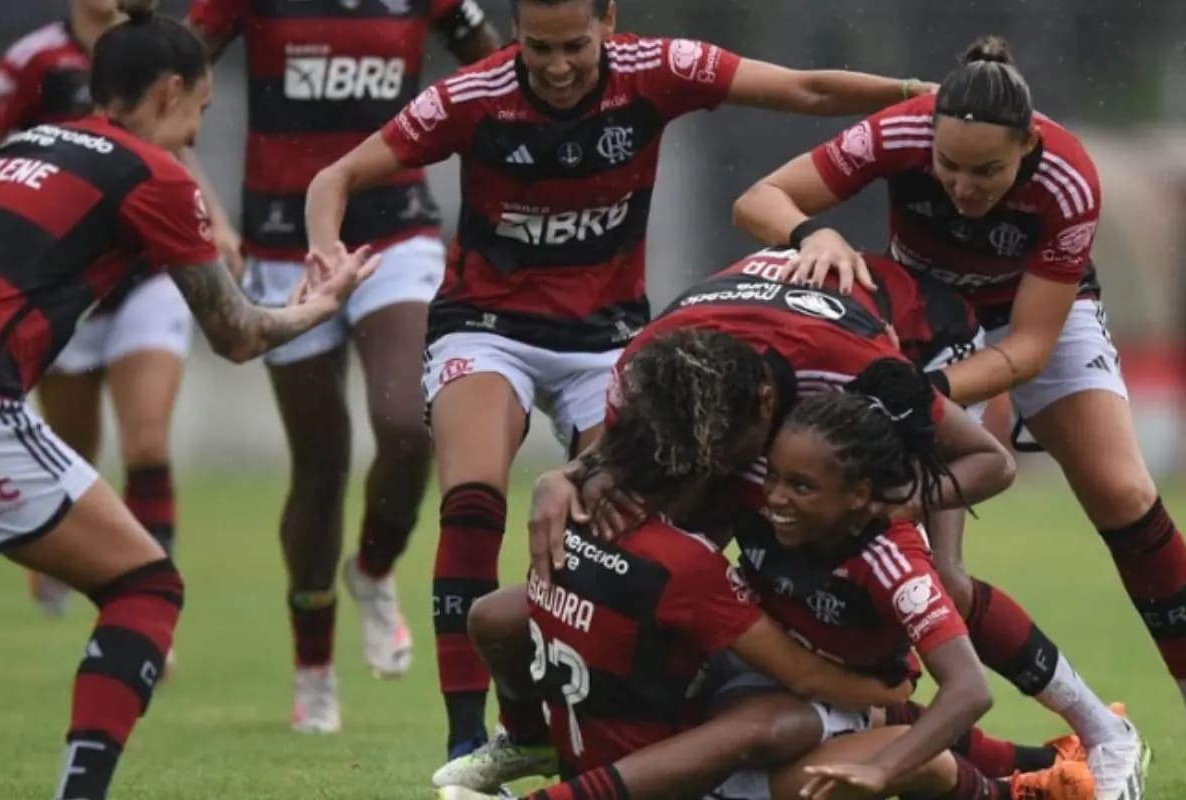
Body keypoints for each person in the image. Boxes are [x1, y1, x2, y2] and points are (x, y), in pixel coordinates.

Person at [307, 0, 939, 756]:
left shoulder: (659, 70)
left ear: (610, 22)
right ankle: (476, 739)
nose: (559, 66)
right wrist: (325, 256)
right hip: (488, 327)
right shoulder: (471, 97)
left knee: (627, 521)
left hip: (607, 341)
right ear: (515, 34)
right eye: (539, 49)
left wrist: (913, 94)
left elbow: (803, 89)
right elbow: (334, 178)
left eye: (575, 45)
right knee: (473, 501)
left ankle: (632, 718)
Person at [731, 35, 1155, 800]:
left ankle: (1100, 734)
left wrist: (918, 393)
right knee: (929, 583)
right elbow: (759, 198)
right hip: (925, 330)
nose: (962, 186)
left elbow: (1024, 348)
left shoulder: (1068, 177)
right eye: (948, 167)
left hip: (1017, 326)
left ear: (1027, 146)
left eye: (987, 171)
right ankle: (1048, 755)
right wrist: (813, 232)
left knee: (1122, 495)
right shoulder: (900, 131)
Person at [0, 6, 373, 799]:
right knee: (147, 586)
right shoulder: (150, 175)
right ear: (170, 92)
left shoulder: (21, 148)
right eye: (199, 110)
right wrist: (318, 307)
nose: (197, 136)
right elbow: (235, 335)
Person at [436, 354, 1092, 800]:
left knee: (796, 727)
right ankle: (1045, 767)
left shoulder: (895, 560)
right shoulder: (766, 485)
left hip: (823, 699)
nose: (772, 495)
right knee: (503, 614)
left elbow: (968, 688)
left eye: (799, 485)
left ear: (861, 494)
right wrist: (575, 475)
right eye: (773, 474)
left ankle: (1030, 783)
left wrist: (883, 768)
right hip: (771, 669)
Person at [184, 0, 502, 732]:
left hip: (397, 231)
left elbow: (500, 79)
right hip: (280, 240)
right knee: (320, 461)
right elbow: (166, 82)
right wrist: (211, 214)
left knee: (406, 422)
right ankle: (314, 667)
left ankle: (376, 566)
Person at [0, 0, 195, 618]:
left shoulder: (167, 51)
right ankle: (69, 550)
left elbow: (177, 154)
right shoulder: (34, 61)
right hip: (59, 287)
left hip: (144, 274)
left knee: (149, 442)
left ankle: (148, 598)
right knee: (69, 442)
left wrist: (221, 229)